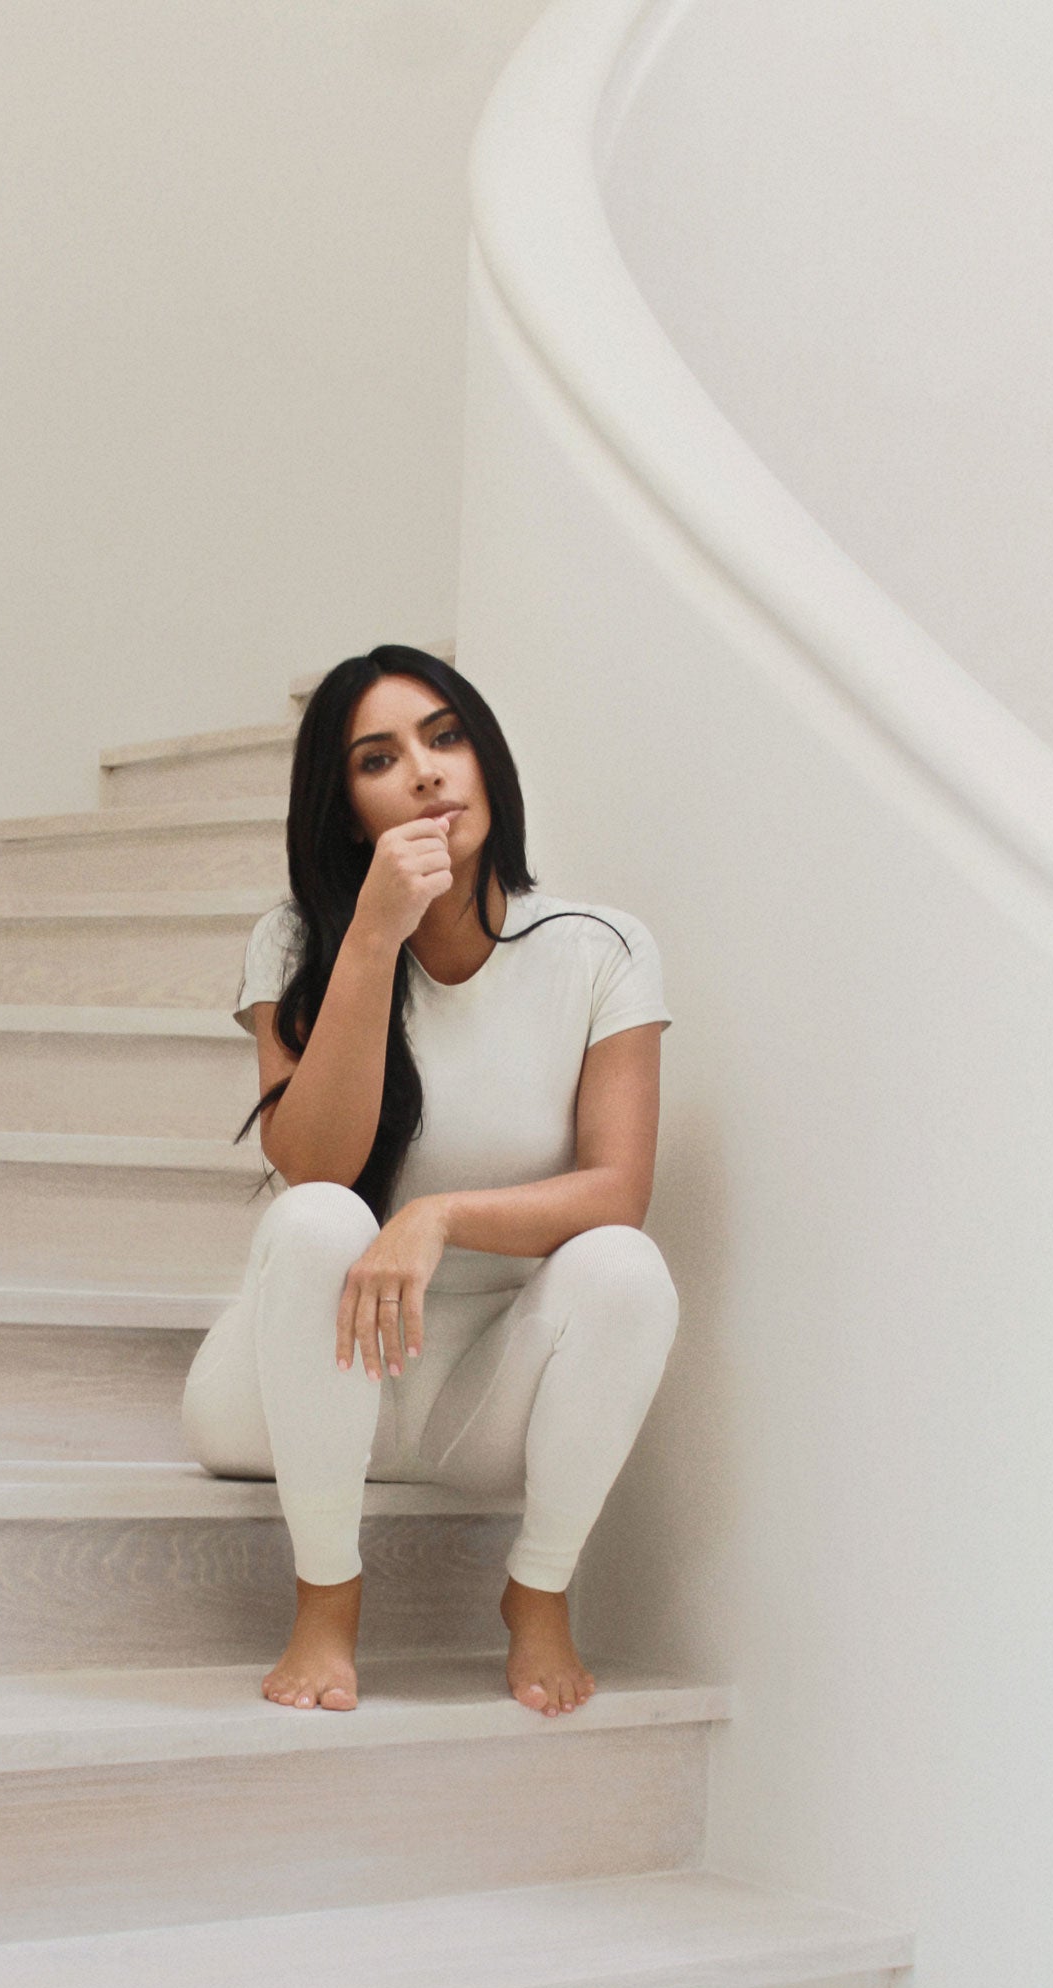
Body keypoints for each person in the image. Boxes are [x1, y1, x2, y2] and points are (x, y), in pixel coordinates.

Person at [180, 645, 680, 1717]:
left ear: (485, 757)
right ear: (347, 809)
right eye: (378, 759)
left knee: (625, 1266)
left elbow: (617, 1188)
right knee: (320, 1216)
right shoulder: (296, 942)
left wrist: (438, 1216)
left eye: (445, 737)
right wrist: (371, 935)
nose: (424, 771)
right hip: (289, 1388)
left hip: (478, 1400)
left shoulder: (600, 948)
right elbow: (314, 1162)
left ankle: (538, 1589)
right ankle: (326, 1598)